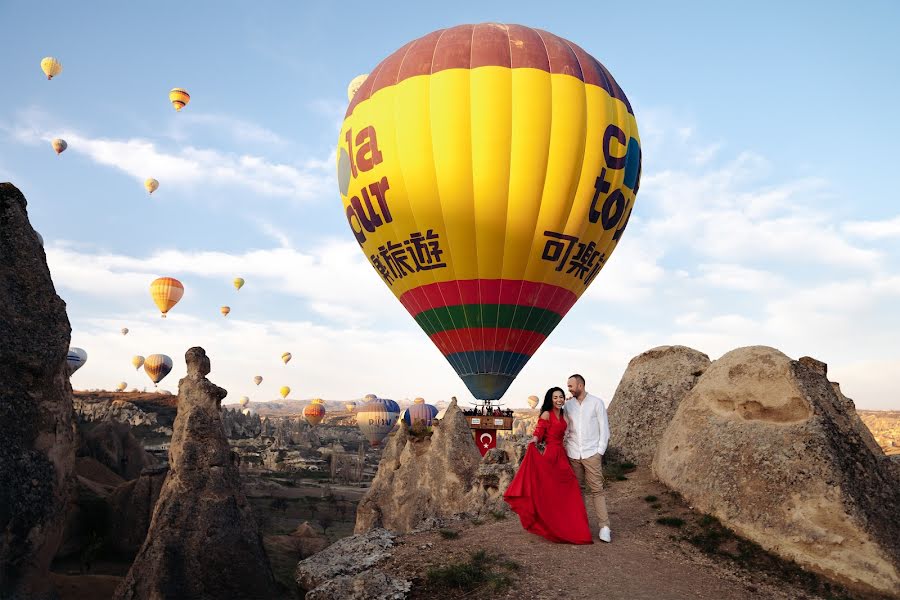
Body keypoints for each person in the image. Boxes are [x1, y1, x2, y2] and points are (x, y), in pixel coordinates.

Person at [503, 387, 592, 544]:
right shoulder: (546, 414)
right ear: (550, 399)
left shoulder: (564, 413)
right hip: (551, 455)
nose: (558, 400)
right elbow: (539, 431)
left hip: (562, 454)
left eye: (561, 397)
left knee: (569, 488)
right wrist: (535, 439)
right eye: (555, 397)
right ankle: (552, 524)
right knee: (551, 490)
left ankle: (569, 524)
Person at [564, 374, 612, 543]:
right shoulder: (568, 406)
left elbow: (604, 429)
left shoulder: (597, 402)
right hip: (573, 453)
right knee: (578, 492)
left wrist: (599, 452)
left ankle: (604, 527)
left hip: (592, 453)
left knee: (597, 490)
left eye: (570, 386)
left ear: (580, 385)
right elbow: (565, 428)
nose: (568, 389)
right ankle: (581, 525)